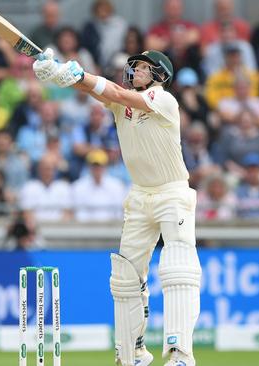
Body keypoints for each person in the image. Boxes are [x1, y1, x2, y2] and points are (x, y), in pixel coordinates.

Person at [33, 48, 199, 365]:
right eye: (134, 66)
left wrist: (79, 73)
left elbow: (112, 90)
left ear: (159, 75)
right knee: (125, 277)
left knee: (177, 267)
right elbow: (97, 89)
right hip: (139, 196)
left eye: (142, 68)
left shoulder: (163, 100)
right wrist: (59, 74)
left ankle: (179, 353)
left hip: (172, 193)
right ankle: (130, 352)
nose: (135, 70)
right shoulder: (122, 103)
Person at [71, 149, 126, 222]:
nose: (97, 169)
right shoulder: (78, 187)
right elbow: (78, 213)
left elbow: (119, 213)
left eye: (100, 165)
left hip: (112, 229)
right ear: (89, 167)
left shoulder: (117, 186)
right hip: (85, 229)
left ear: (105, 167)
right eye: (94, 166)